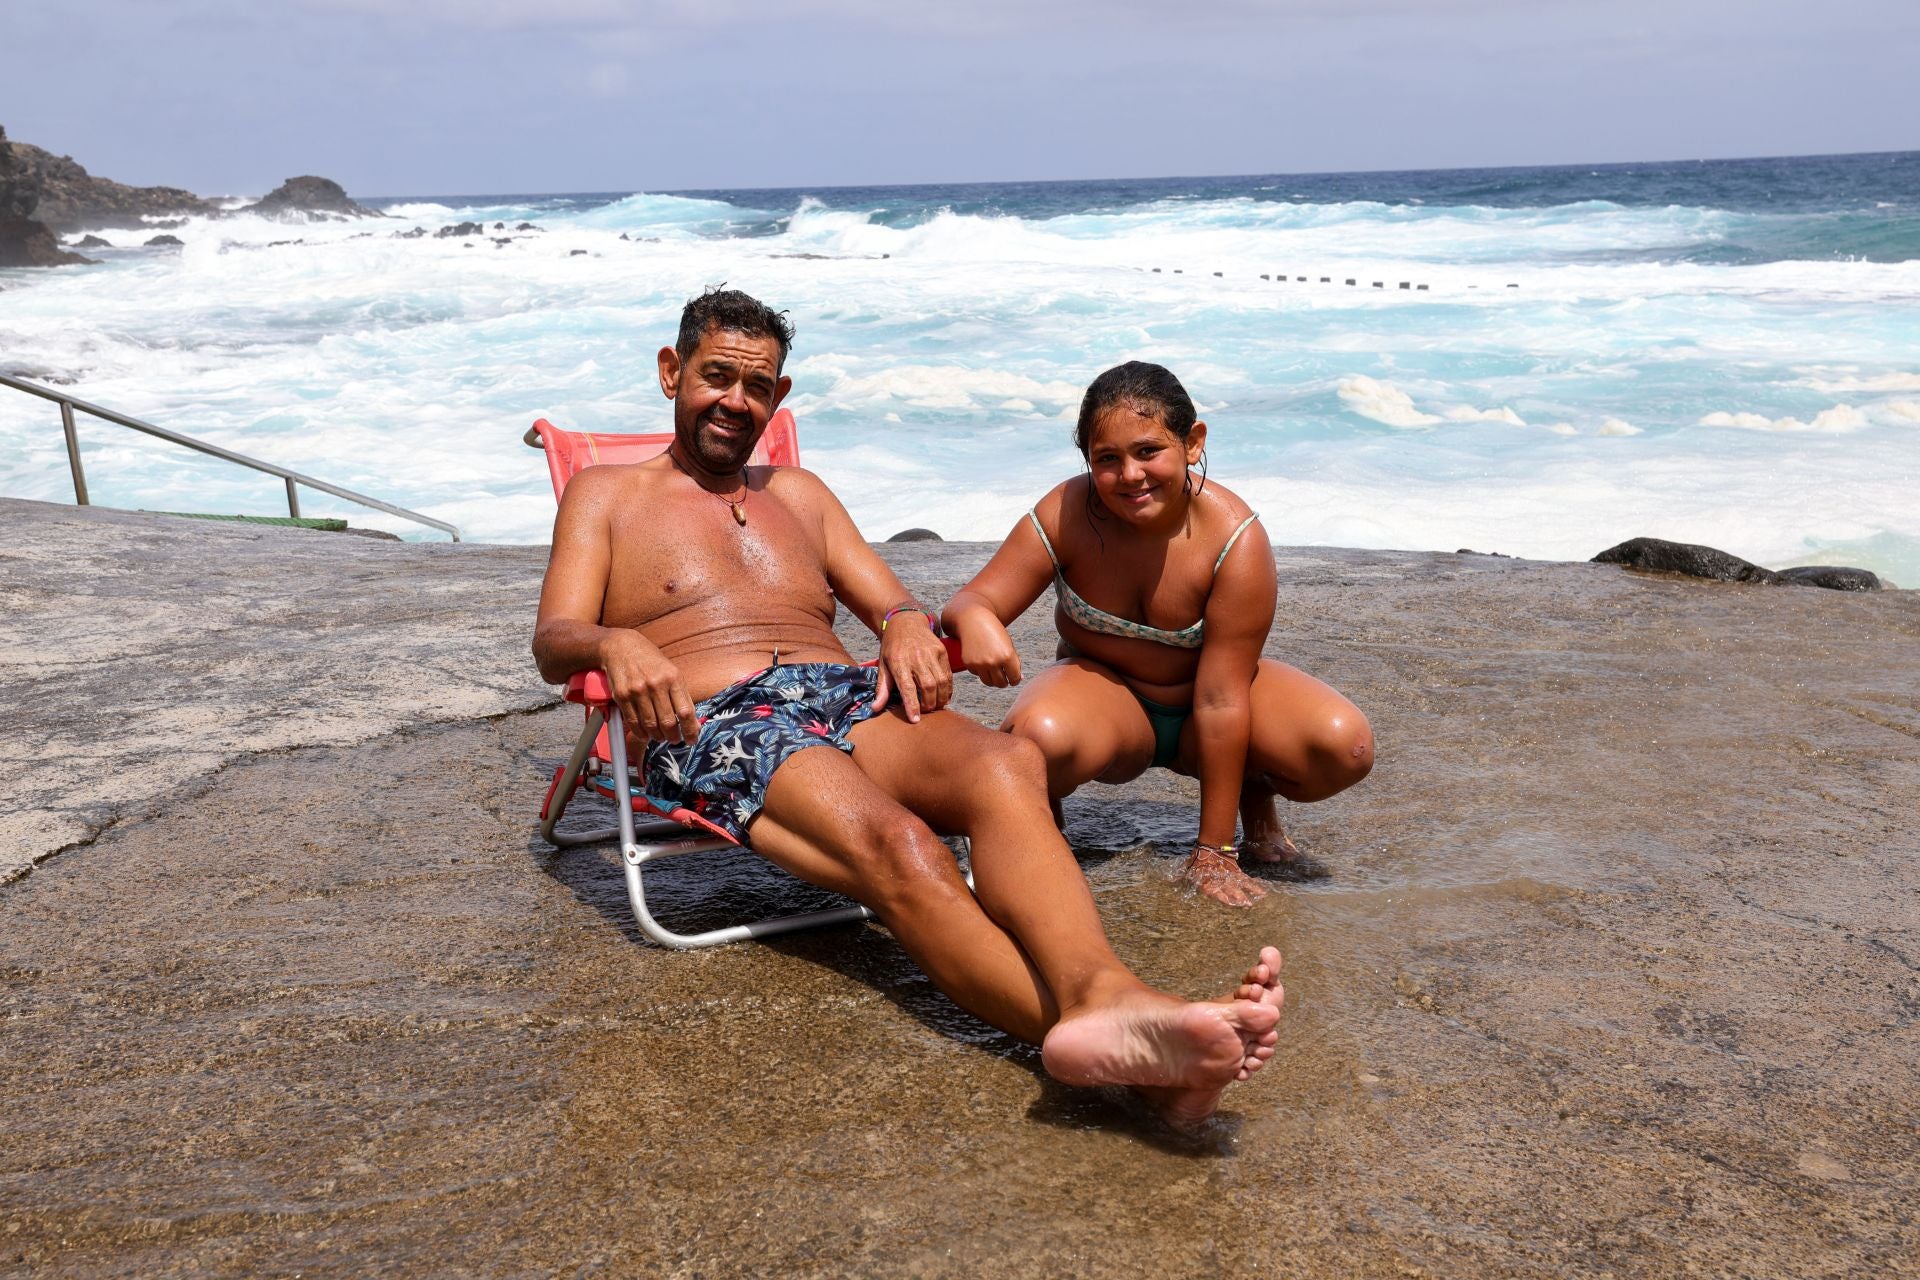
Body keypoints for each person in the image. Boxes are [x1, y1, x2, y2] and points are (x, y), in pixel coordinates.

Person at [532, 290, 1284, 1127]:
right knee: (903, 844)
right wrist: (613, 644)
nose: (735, 402)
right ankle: (1126, 1052)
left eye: (758, 386)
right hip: (712, 717)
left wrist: (900, 628)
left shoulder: (802, 494)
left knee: (1009, 763)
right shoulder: (604, 494)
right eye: (716, 377)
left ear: (778, 399)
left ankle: (1113, 995)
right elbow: (553, 638)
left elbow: (892, 604)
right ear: (673, 372)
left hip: (840, 696)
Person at [941, 362, 1374, 907]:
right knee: (1035, 738)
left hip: (1208, 708)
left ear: (1192, 443)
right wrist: (978, 620)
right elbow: (973, 598)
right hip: (1108, 700)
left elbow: (1220, 698)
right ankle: (1040, 834)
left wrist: (1214, 851)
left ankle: (1252, 796)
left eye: (1149, 451)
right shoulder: (1066, 513)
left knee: (1343, 745)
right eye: (1107, 459)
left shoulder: (1235, 540)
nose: (1130, 475)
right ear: (1087, 462)